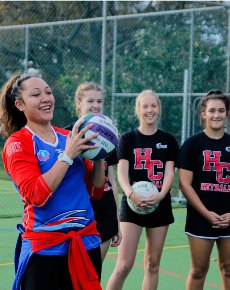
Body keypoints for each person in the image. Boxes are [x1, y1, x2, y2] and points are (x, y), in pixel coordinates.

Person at [0, 72, 106, 290]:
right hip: (45, 249)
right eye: (36, 94)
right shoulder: (18, 143)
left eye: (48, 92)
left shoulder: (69, 136)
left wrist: (100, 155)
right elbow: (35, 195)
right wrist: (67, 156)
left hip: (85, 242)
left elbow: (96, 191)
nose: (46, 98)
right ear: (20, 105)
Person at [106, 90, 179, 290]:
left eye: (153, 106)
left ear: (159, 109)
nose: (150, 110)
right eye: (145, 106)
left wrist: (161, 195)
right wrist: (131, 194)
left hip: (160, 204)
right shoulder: (128, 138)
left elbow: (169, 172)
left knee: (152, 264)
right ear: (138, 110)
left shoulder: (169, 140)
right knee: (123, 266)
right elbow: (121, 171)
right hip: (132, 205)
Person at [177, 90, 230, 290]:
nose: (216, 115)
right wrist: (207, 214)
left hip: (228, 217)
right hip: (201, 217)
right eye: (212, 110)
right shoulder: (192, 144)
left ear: (227, 114)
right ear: (204, 114)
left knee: (228, 269)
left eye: (221, 111)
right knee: (199, 270)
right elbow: (184, 184)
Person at [65, 82, 121, 262]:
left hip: (104, 213)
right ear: (78, 103)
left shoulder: (109, 136)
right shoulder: (66, 134)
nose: (96, 105)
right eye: (90, 101)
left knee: (94, 274)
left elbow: (111, 182)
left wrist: (117, 221)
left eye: (99, 101)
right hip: (76, 212)